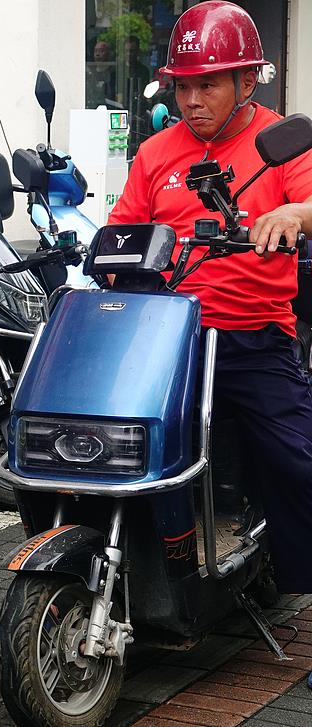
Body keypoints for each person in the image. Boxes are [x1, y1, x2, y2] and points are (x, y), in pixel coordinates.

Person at [106, 2, 312, 675]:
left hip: (253, 335)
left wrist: (293, 213)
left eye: (208, 85)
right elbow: (122, 230)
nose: (192, 101)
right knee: (118, 446)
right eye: (183, 87)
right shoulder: (155, 153)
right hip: (166, 338)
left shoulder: (280, 142)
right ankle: (146, 570)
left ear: (247, 82)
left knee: (299, 464)